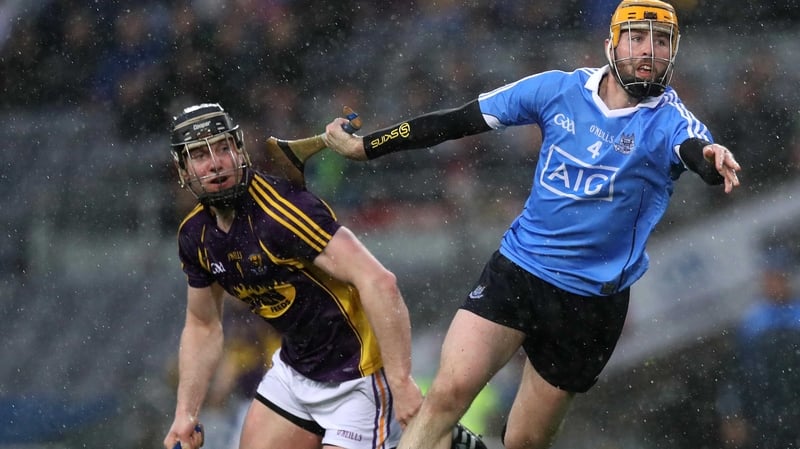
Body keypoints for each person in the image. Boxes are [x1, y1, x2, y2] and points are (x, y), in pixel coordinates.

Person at [323, 1, 742, 448]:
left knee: (524, 441)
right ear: (610, 45)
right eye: (637, 38)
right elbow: (455, 122)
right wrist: (367, 147)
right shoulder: (556, 90)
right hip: (518, 272)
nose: (649, 51)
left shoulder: (670, 120)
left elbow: (696, 149)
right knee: (447, 394)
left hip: (590, 306)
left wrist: (712, 162)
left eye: (661, 41)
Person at [160, 103, 427, 449]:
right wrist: (185, 413)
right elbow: (202, 324)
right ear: (182, 169)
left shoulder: (284, 212)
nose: (215, 163)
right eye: (199, 155)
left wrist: (401, 381)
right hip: (294, 371)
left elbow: (380, 282)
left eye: (223, 148)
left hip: (358, 378)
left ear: (239, 150)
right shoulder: (194, 234)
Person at [717, 247, 800, 449]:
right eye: (768, 279)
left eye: (777, 277)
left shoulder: (796, 314)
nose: (773, 284)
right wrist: (732, 411)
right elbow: (737, 373)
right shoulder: (752, 325)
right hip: (771, 414)